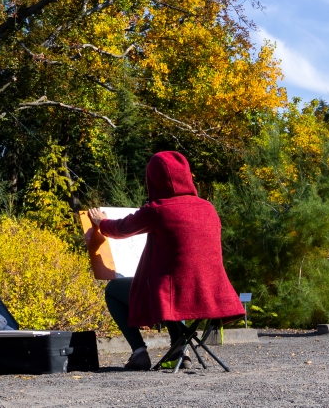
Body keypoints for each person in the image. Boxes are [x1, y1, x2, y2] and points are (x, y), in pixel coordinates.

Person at [87, 151, 244, 370]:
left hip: (175, 295)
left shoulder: (159, 210)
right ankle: (180, 349)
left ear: (153, 180)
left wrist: (101, 223)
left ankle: (139, 352)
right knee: (173, 285)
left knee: (114, 290)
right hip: (211, 294)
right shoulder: (208, 209)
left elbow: (121, 229)